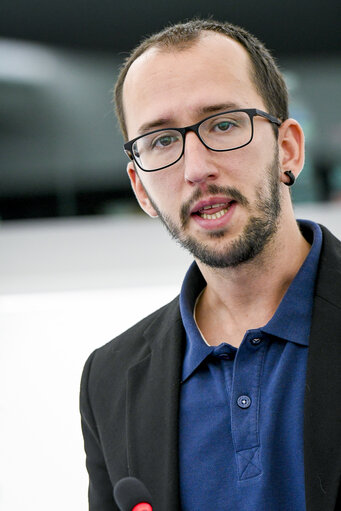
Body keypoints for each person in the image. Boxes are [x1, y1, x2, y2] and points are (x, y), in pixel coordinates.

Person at [80, 19, 341, 511]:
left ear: (287, 148)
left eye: (223, 125)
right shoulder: (109, 381)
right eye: (161, 141)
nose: (196, 169)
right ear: (141, 190)